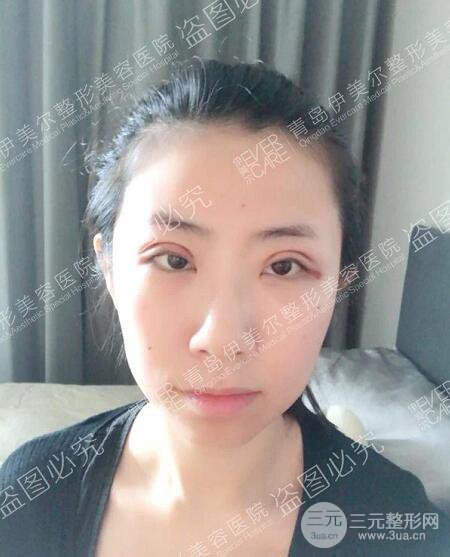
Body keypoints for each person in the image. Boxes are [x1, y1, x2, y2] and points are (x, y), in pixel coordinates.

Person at [0, 57, 448, 557]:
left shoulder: (398, 527)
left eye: (284, 266)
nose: (223, 340)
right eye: (173, 259)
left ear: (337, 288)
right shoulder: (30, 498)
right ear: (109, 268)